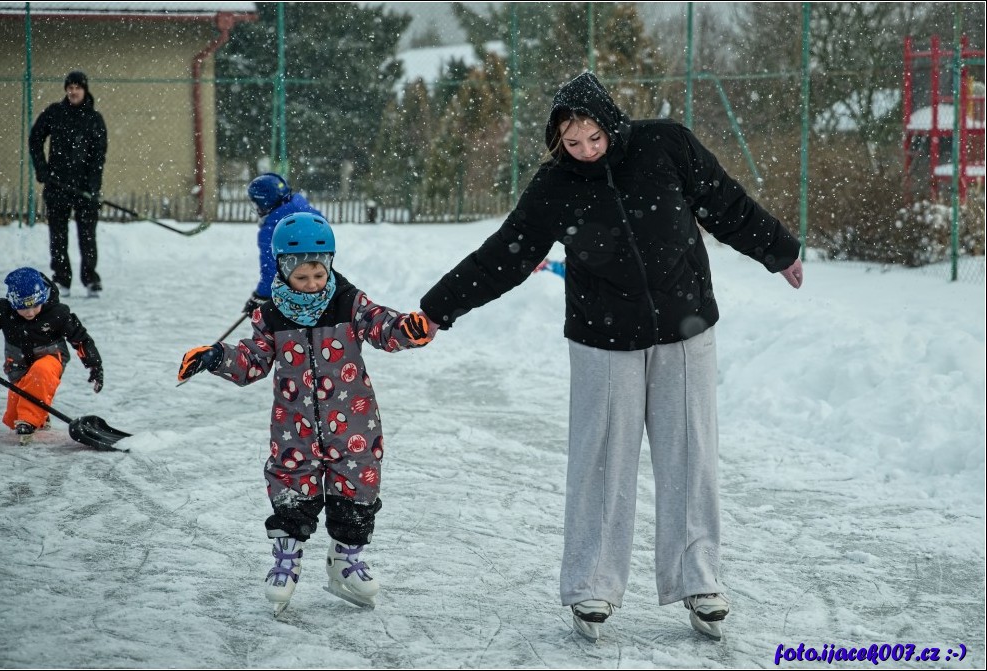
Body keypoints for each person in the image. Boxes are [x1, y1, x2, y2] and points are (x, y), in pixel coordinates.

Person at [418, 72, 804, 640]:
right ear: (558, 142)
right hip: (603, 340)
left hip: (686, 327)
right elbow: (504, 255)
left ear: (611, 123)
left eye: (594, 138)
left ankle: (699, 580)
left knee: (692, 453)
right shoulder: (555, 187)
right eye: (572, 144)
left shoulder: (665, 145)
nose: (586, 151)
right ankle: (592, 586)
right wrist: (438, 308)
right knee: (601, 460)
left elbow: (724, 203)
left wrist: (778, 250)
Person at [177, 212, 437, 616]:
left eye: (319, 273)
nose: (313, 284)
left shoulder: (350, 302)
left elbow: (381, 326)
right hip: (294, 424)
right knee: (291, 489)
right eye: (302, 277)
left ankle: (344, 560)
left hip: (353, 420)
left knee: (356, 487)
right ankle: (287, 557)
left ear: (329, 264)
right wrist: (216, 357)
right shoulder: (270, 315)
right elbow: (253, 361)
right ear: (283, 270)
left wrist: (408, 329)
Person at [0, 267, 104, 444]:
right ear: (12, 302)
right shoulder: (3, 311)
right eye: (23, 308)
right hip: (19, 366)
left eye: (35, 305)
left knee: (41, 372)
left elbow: (81, 339)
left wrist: (95, 366)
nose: (30, 312)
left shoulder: (57, 313)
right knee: (13, 418)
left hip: (51, 358)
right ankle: (39, 417)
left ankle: (30, 420)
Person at [29, 70, 108, 298]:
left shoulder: (94, 119)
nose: (73, 92)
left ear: (85, 90)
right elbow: (35, 138)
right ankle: (61, 279)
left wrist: (92, 187)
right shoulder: (55, 113)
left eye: (77, 88)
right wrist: (42, 169)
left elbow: (98, 156)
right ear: (66, 90)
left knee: (87, 236)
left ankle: (91, 279)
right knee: (58, 236)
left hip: (84, 189)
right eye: (70, 88)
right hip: (57, 185)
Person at [243, 173, 327, 316]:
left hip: (291, 296)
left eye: (256, 203)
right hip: (320, 289)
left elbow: (271, 270)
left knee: (275, 334)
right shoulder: (308, 213)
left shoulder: (273, 229)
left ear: (265, 201)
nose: (256, 208)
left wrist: (261, 297)